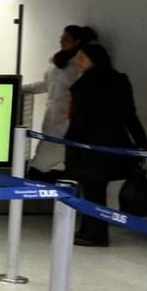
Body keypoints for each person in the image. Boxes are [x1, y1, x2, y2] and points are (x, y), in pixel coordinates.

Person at [64, 38, 147, 247]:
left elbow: (80, 119)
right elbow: (130, 115)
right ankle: (88, 230)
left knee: (92, 190)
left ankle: (95, 233)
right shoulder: (119, 80)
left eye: (82, 59)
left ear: (94, 60)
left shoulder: (85, 84)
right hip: (116, 144)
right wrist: (141, 143)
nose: (79, 63)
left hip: (90, 146)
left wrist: (70, 144)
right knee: (95, 189)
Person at [24, 25, 91, 180]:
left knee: (47, 165)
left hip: (67, 122)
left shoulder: (78, 66)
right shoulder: (57, 62)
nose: (61, 41)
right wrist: (18, 88)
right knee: (47, 161)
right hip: (53, 120)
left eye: (66, 38)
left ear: (77, 41)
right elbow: (47, 85)